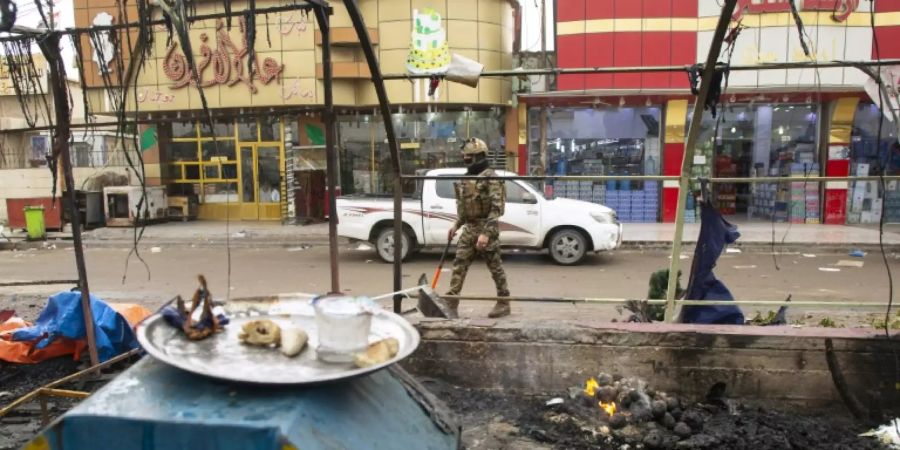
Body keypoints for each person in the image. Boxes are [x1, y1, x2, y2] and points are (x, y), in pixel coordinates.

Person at [445, 137, 510, 318]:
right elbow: (464, 208)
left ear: (477, 157)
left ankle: (504, 302)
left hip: (486, 228)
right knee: (459, 264)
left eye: (468, 156)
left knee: (495, 267)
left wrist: (486, 234)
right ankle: (451, 303)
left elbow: (497, 209)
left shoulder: (491, 178)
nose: (465, 159)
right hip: (470, 228)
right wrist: (456, 224)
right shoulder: (468, 178)